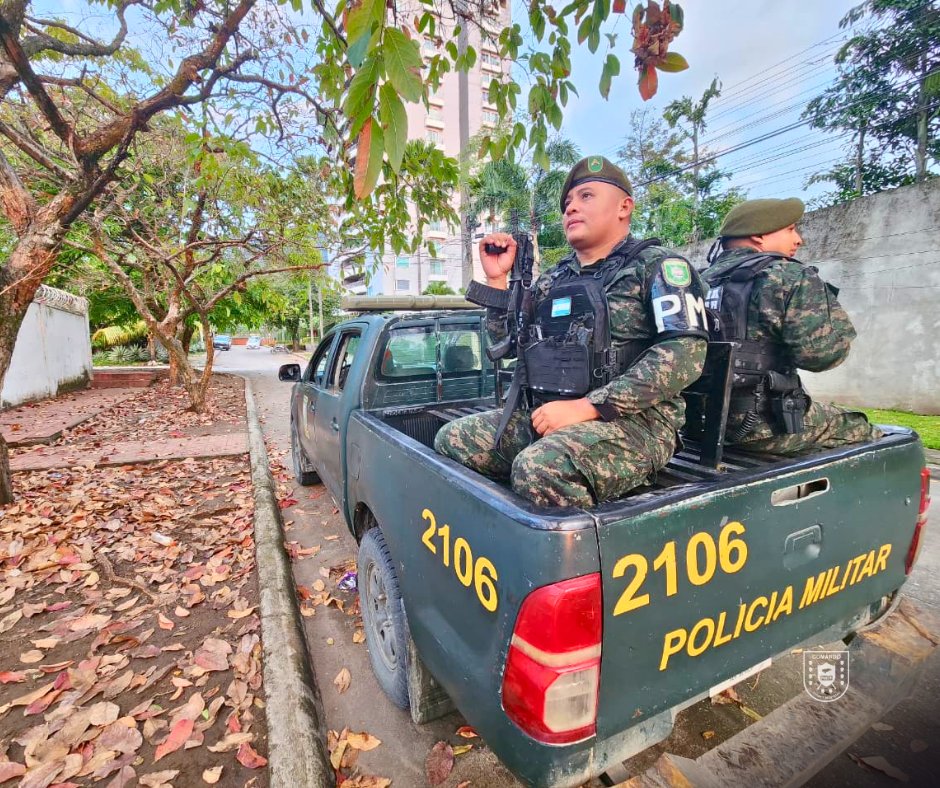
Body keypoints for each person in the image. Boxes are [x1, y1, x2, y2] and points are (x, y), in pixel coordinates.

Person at [434, 156, 709, 508]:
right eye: (567, 204)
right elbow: (509, 347)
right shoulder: (555, 278)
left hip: (636, 424)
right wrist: (497, 280)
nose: (572, 209)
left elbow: (684, 356)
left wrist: (590, 407)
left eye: (586, 197)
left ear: (625, 206)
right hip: (554, 414)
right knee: (453, 439)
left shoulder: (657, 266)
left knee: (539, 470)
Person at [702, 197, 881, 454]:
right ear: (759, 235)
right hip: (764, 427)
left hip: (697, 424)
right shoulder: (788, 275)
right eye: (790, 229)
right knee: (861, 427)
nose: (798, 239)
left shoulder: (699, 280)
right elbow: (820, 356)